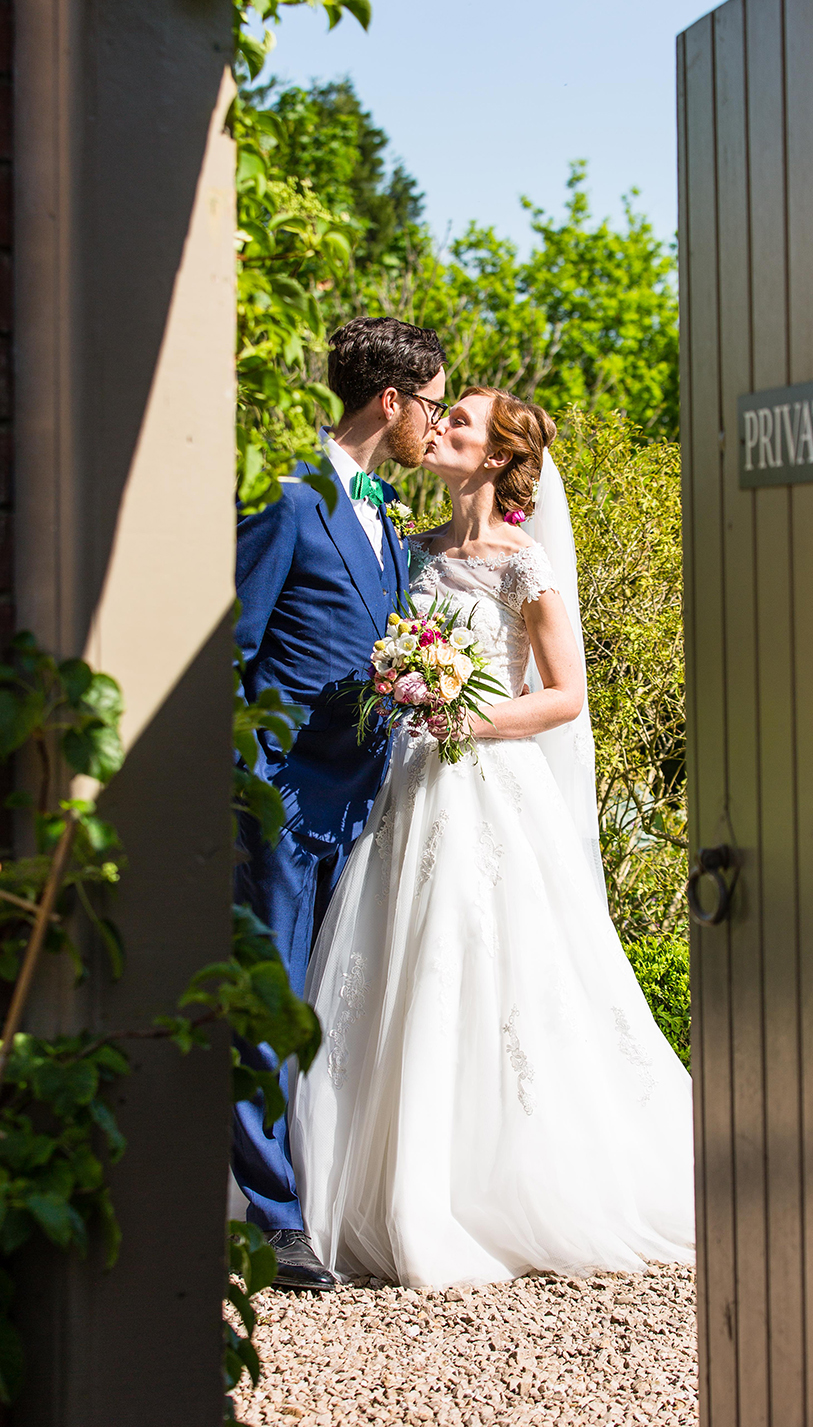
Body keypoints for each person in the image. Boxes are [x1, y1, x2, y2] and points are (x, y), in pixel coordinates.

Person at [288, 386, 695, 1288]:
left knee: (485, 967)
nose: (440, 427)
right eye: (445, 414)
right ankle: (365, 1184)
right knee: (389, 965)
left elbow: (564, 697)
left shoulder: (525, 565)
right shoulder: (409, 550)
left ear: (499, 457)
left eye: (461, 422)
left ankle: (489, 1185)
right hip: (401, 787)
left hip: (487, 786)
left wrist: (463, 716)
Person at [233, 316, 448, 1289]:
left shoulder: (385, 515)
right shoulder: (287, 497)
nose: (433, 423)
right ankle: (275, 1219)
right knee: (271, 1002)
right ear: (389, 400)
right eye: (430, 403)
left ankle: (328, 1193)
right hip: (284, 799)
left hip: (368, 800)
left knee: (336, 1005)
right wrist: (252, 779)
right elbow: (235, 649)